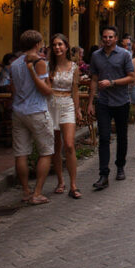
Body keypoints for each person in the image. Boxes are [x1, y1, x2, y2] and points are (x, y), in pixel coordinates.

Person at [88, 26, 135, 189]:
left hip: (121, 101)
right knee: (104, 138)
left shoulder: (124, 55)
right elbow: (94, 79)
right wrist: (90, 102)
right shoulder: (95, 56)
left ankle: (120, 166)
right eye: (104, 37)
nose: (107, 40)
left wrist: (112, 82)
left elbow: (131, 77)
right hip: (103, 102)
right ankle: (103, 174)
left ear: (116, 39)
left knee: (122, 136)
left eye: (110, 37)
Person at [10, 30, 54, 206]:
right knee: (46, 151)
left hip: (19, 111)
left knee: (21, 153)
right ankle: (37, 193)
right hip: (36, 110)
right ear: (37, 44)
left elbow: (13, 89)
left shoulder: (14, 64)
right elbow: (45, 90)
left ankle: (26, 191)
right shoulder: (39, 62)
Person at [48, 33, 82, 199]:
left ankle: (73, 184)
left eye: (60, 44)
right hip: (51, 105)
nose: (57, 47)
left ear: (66, 47)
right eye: (54, 45)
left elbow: (75, 90)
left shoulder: (74, 67)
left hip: (67, 104)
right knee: (56, 145)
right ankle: (60, 181)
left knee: (69, 144)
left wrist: (78, 109)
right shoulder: (48, 66)